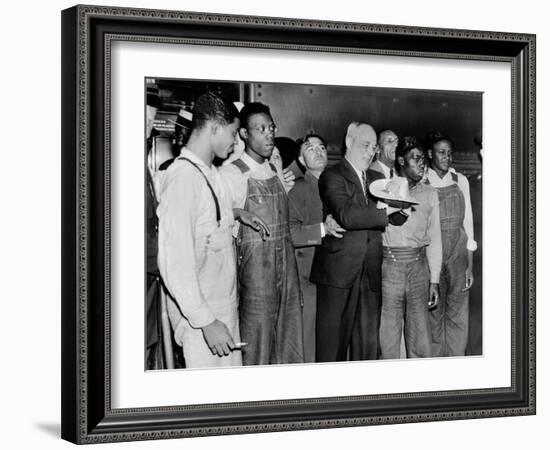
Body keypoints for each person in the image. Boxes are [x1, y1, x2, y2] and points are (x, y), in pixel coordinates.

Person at [156, 92, 267, 368]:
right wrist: (206, 322)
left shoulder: (209, 172)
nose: (235, 142)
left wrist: (237, 215)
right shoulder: (183, 178)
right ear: (214, 127)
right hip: (202, 322)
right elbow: (175, 263)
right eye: (232, 133)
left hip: (223, 310)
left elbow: (209, 225)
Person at [310, 122, 407, 362]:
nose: (370, 152)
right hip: (338, 274)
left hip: (370, 272)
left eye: (374, 147)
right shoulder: (332, 176)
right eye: (365, 145)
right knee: (332, 349)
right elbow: (347, 215)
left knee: (368, 348)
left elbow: (391, 217)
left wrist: (403, 209)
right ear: (349, 142)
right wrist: (389, 210)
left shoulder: (377, 178)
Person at [221, 102, 304, 366]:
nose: (269, 134)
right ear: (244, 134)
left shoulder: (272, 169)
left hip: (287, 270)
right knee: (257, 348)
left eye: (271, 128)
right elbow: (219, 223)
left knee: (289, 343)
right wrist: (237, 213)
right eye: (261, 129)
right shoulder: (231, 173)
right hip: (256, 277)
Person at [374, 136, 442, 359]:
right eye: (416, 159)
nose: (422, 163)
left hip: (419, 268)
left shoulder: (430, 194)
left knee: (420, 334)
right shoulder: (382, 189)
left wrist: (434, 280)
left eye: (424, 159)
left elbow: (435, 239)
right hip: (390, 268)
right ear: (401, 160)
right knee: (389, 333)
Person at [287, 134, 345, 362]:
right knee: (309, 343)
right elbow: (289, 232)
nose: (318, 151)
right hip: (309, 278)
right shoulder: (299, 189)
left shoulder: (339, 186)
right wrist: (322, 229)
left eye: (321, 146)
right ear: (301, 160)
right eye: (310, 149)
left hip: (337, 277)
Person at [425, 131, 477, 357]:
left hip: (458, 255)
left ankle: (457, 367)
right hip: (431, 256)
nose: (447, 157)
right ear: (430, 154)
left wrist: (470, 265)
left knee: (458, 316)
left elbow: (469, 225)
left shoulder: (460, 180)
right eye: (441, 153)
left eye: (449, 153)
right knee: (433, 315)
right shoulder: (422, 180)